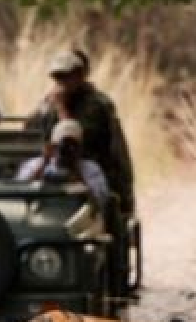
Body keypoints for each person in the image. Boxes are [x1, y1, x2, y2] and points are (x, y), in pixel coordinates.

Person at [27, 49, 136, 216]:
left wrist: (61, 108)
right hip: (54, 167)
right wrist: (44, 108)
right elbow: (31, 131)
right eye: (57, 78)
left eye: (66, 77)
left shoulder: (96, 104)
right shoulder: (52, 101)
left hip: (90, 169)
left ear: (79, 75)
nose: (61, 82)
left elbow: (74, 140)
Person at [16, 119, 110, 206]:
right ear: (52, 145)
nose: (65, 151)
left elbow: (100, 201)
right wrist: (44, 163)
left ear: (80, 148)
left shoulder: (91, 168)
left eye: (72, 146)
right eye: (60, 146)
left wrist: (75, 170)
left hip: (78, 214)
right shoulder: (33, 164)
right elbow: (19, 194)